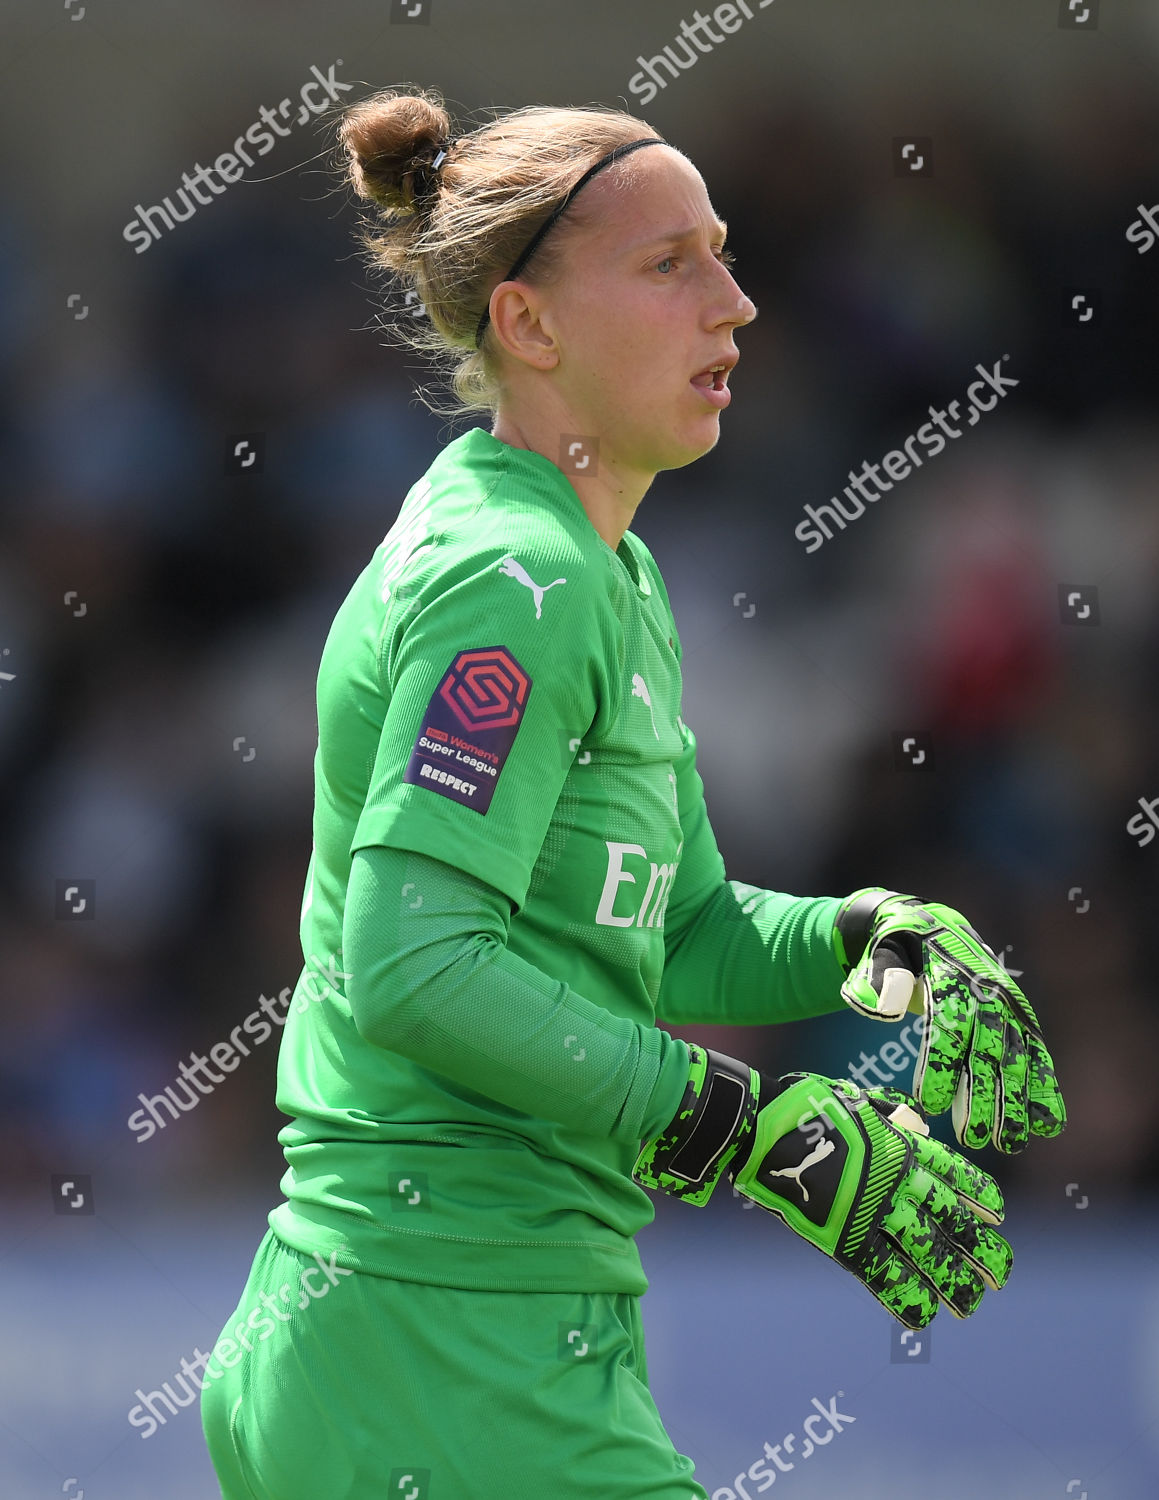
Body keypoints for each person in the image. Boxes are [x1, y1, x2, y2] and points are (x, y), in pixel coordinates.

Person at [200, 86, 1066, 1500]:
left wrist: (865, 945)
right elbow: (414, 964)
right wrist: (751, 1132)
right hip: (435, 1342)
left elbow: (676, 931)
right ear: (528, 327)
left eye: (722, 253)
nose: (734, 304)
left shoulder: (610, 572)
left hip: (483, 1335)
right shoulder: (512, 578)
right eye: (670, 265)